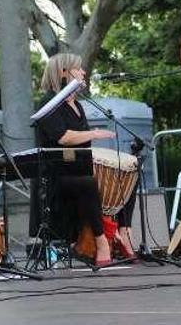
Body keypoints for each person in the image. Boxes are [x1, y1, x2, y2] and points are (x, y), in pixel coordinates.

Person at [32, 53, 117, 266]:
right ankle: (100, 241)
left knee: (124, 176)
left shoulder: (76, 105)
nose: (83, 72)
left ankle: (123, 235)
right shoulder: (49, 103)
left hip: (77, 170)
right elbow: (64, 137)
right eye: (78, 69)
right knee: (86, 183)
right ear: (63, 73)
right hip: (56, 176)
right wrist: (94, 134)